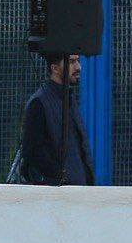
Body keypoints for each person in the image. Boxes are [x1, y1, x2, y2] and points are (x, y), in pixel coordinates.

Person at [20, 52, 95, 186]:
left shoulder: (68, 98)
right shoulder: (39, 102)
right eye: (71, 62)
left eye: (78, 61)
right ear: (54, 68)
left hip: (80, 193)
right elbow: (32, 150)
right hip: (59, 196)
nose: (78, 67)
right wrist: (60, 176)